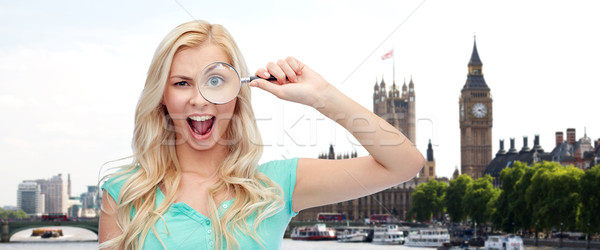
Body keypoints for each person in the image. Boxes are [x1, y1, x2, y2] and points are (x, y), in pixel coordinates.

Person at [98, 20, 424, 249]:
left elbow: (404, 164)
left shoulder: (276, 187)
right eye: (182, 83)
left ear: (237, 93)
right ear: (162, 97)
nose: (199, 98)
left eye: (214, 81)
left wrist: (322, 96)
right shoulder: (125, 194)